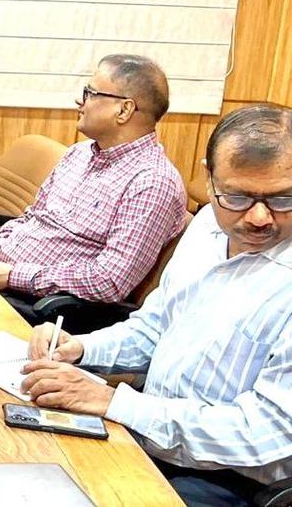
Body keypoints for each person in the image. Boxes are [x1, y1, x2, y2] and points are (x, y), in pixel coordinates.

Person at [20, 104, 292, 507]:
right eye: (235, 196)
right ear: (208, 176)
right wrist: (82, 348)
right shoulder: (206, 228)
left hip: (227, 480)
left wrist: (118, 403)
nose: (257, 217)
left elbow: (267, 433)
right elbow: (156, 324)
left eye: (283, 199)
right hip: (144, 431)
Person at [0, 54, 186, 312]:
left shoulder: (152, 182)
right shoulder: (79, 153)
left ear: (124, 110)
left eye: (91, 93)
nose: (80, 102)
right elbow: (33, 217)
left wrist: (13, 275)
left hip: (42, 308)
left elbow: (109, 281)